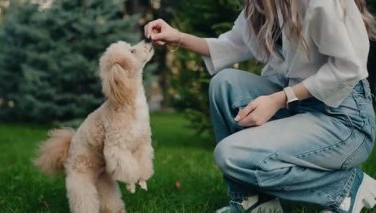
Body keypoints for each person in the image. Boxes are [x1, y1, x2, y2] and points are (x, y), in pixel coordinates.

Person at [144, 0, 376, 212]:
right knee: (224, 84)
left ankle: (344, 189)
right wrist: (179, 37)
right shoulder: (261, 6)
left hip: (343, 120)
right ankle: (254, 201)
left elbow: (349, 68)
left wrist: (280, 99)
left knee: (230, 155)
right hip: (298, 106)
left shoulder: (319, 3)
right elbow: (228, 45)